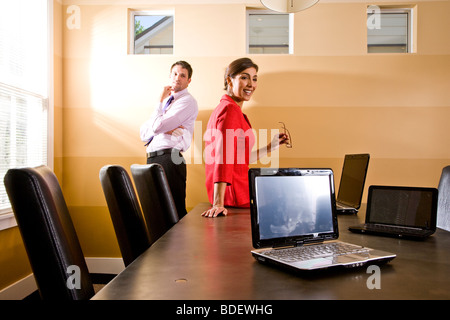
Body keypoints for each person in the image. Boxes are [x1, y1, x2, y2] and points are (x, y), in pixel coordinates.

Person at [202, 58, 289, 218]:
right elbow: (224, 157)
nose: (251, 84)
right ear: (229, 80)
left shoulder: (225, 108)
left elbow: (239, 159)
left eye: (254, 78)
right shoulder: (230, 110)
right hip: (235, 196)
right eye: (244, 77)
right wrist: (218, 203)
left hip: (233, 194)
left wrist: (271, 147)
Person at [140, 61, 198, 218]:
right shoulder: (165, 102)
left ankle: (180, 244)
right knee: (155, 213)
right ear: (170, 76)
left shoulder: (187, 101)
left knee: (174, 213)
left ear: (188, 81)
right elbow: (144, 133)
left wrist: (159, 124)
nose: (177, 78)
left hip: (169, 159)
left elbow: (157, 127)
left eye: (183, 75)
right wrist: (161, 115)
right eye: (175, 73)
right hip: (152, 158)